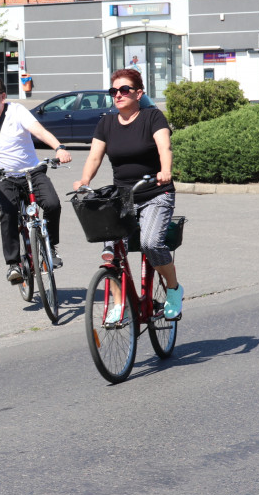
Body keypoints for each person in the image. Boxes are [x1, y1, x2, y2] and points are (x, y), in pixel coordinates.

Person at [74, 68, 184, 321]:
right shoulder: (107, 122)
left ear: (139, 93)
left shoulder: (152, 117)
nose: (118, 95)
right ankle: (118, 302)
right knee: (110, 250)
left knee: (151, 244)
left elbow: (164, 146)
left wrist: (165, 170)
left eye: (124, 90)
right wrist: (85, 180)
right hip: (123, 197)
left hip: (155, 192)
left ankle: (174, 290)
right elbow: (94, 156)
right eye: (114, 91)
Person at [0, 73, 72, 284]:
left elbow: (39, 131)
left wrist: (59, 148)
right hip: (3, 176)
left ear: (3, 96)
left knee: (52, 204)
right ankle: (14, 264)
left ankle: (50, 248)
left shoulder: (16, 111)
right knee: (8, 213)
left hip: (32, 171)